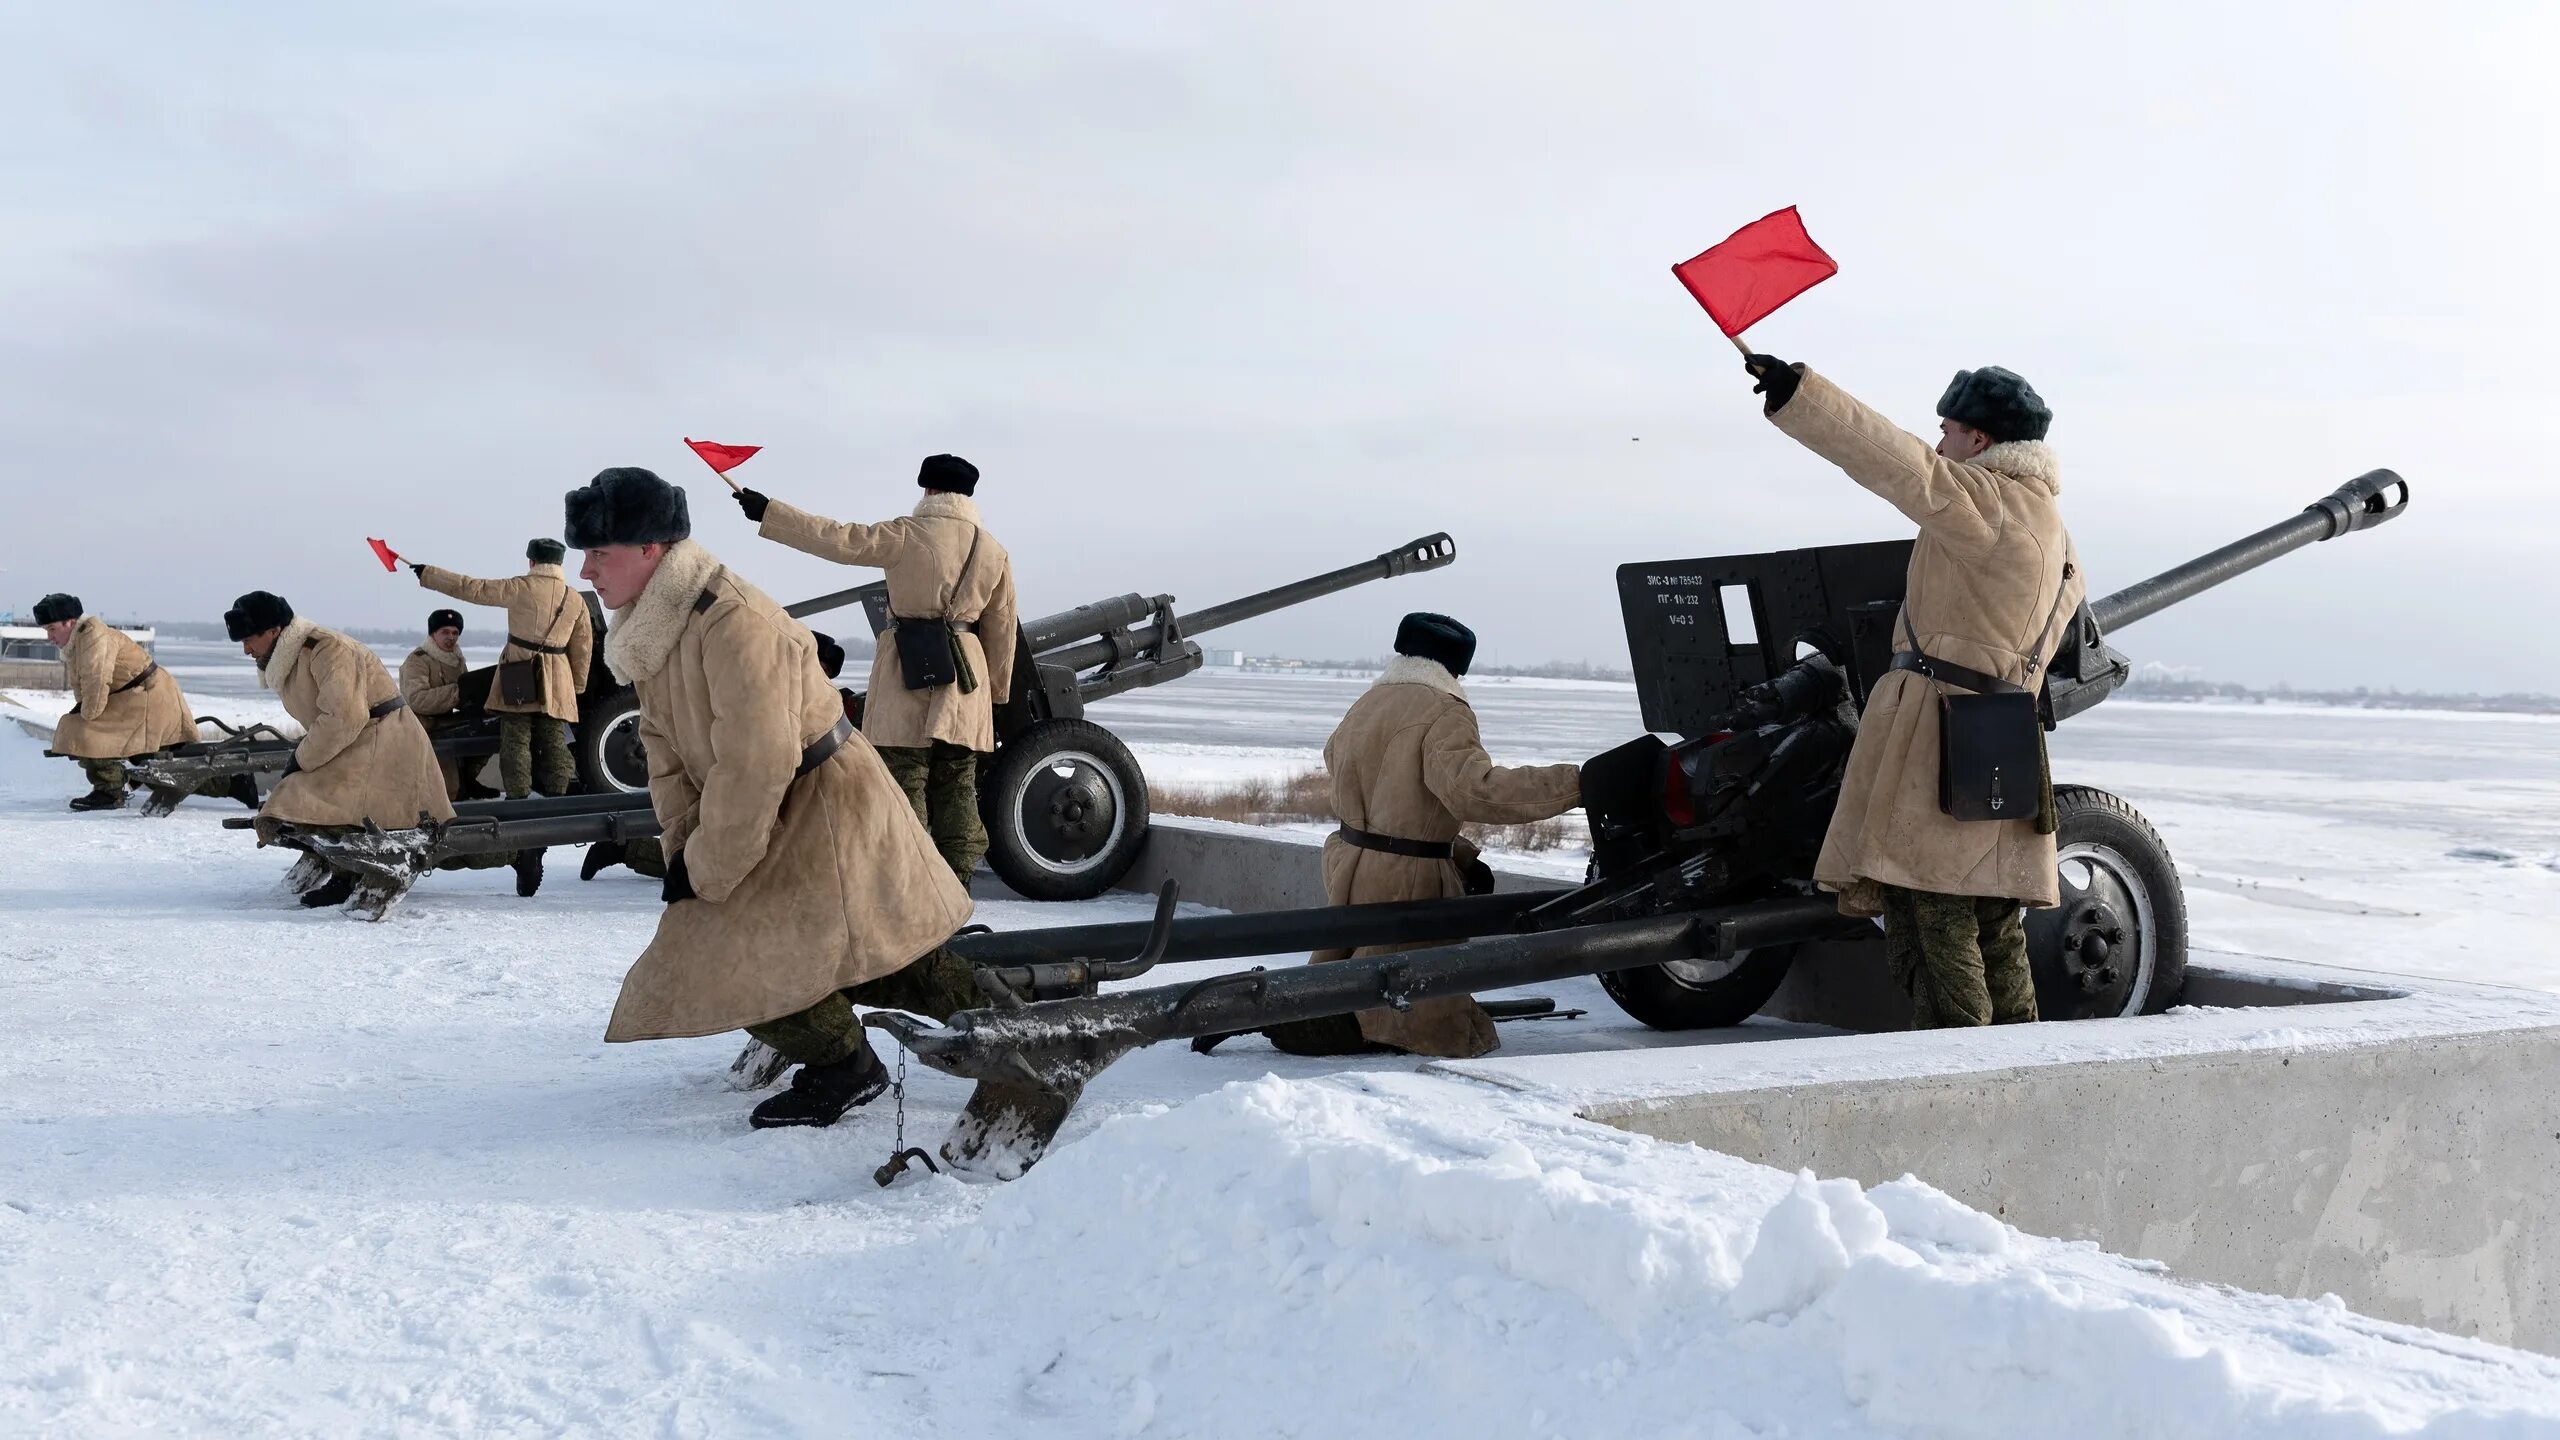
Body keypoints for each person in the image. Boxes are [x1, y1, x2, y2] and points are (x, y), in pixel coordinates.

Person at [567, 466, 984, 1129]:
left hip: (823, 803)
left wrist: (708, 868)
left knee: (750, 952)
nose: (586, 570)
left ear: (651, 549)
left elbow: (755, 763)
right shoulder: (650, 630)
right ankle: (998, 1028)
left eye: (598, 552)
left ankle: (855, 1064)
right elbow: (667, 757)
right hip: (777, 805)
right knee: (860, 951)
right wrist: (683, 850)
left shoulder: (730, 620)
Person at [1740, 352, 2083, 1029]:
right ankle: (2019, 1060)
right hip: (2003, 736)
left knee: (1931, 915)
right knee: (1993, 919)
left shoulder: (1986, 503)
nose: (1940, 443)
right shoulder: (2054, 529)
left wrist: (1801, 394)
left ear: (1981, 440)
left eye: (1950, 430)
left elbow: (1891, 459)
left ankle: (1957, 1069)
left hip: (1939, 734)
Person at [1254, 613, 1582, 1060]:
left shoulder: (1367, 703)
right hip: (1407, 879)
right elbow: (1474, 791)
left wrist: (1452, 850)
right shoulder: (1445, 712)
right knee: (1418, 1009)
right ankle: (1337, 1027)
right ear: (1456, 667)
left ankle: (1309, 1013)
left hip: (1351, 863)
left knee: (1345, 969)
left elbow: (1351, 770)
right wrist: (1577, 784)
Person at [733, 454, 1018, 883]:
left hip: (909, 669)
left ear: (928, 490)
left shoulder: (906, 534)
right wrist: (994, 696)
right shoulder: (993, 550)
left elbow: (836, 539)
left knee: (904, 780)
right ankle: (957, 884)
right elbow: (1002, 627)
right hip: (966, 679)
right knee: (957, 784)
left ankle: (913, 889)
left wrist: (769, 511)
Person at [225, 590, 527, 907]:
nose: (246, 649)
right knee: (339, 813)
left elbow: (345, 716)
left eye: (249, 639)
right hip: (359, 744)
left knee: (415, 837)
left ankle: (517, 851)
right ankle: (345, 876)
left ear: (274, 631)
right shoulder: (292, 657)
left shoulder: (326, 649)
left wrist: (301, 759)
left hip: (387, 743)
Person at [580, 630, 855, 883]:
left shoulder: (809, 702)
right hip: (745, 795)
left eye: (825, 674)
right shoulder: (764, 696)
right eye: (819, 670)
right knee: (725, 864)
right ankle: (624, 848)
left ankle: (627, 848)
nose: (820, 680)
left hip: (781, 797)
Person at [411, 540, 594, 801]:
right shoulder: (574, 599)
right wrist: (576, 686)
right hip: (558, 678)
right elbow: (583, 647)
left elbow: (472, 588)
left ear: (532, 562)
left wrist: (429, 574)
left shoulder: (519, 588)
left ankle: (518, 797)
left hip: (519, 675)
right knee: (554, 739)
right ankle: (558, 795)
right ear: (560, 564)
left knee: (515, 740)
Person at [32, 592, 221, 811]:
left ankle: (109, 791)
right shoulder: (81, 641)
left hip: (148, 698)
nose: (49, 637)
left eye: (52, 629)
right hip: (142, 699)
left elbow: (96, 682)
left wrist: (86, 721)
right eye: (46, 630)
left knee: (81, 731)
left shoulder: (93, 638)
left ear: (70, 622)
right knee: (159, 763)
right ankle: (233, 785)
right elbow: (84, 687)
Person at [399, 607, 484, 801]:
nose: (451, 637)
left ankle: (468, 781)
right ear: (433, 634)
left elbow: (466, 691)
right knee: (448, 790)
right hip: (423, 727)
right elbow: (417, 699)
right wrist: (458, 693)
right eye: (445, 632)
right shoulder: (417, 661)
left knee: (488, 730)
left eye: (455, 633)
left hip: (447, 723)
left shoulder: (456, 660)